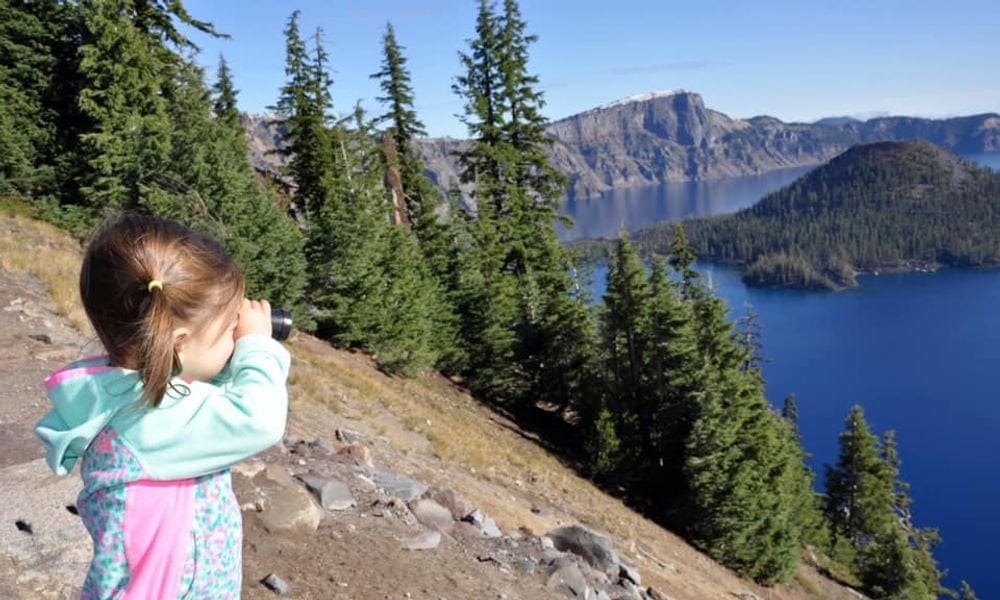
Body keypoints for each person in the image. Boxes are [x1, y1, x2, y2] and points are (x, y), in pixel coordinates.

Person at [35, 213, 290, 599]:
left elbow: (192, 386)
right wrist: (257, 347)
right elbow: (260, 420)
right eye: (226, 332)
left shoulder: (124, 392)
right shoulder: (148, 416)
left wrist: (221, 341)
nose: (233, 340)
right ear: (180, 342)